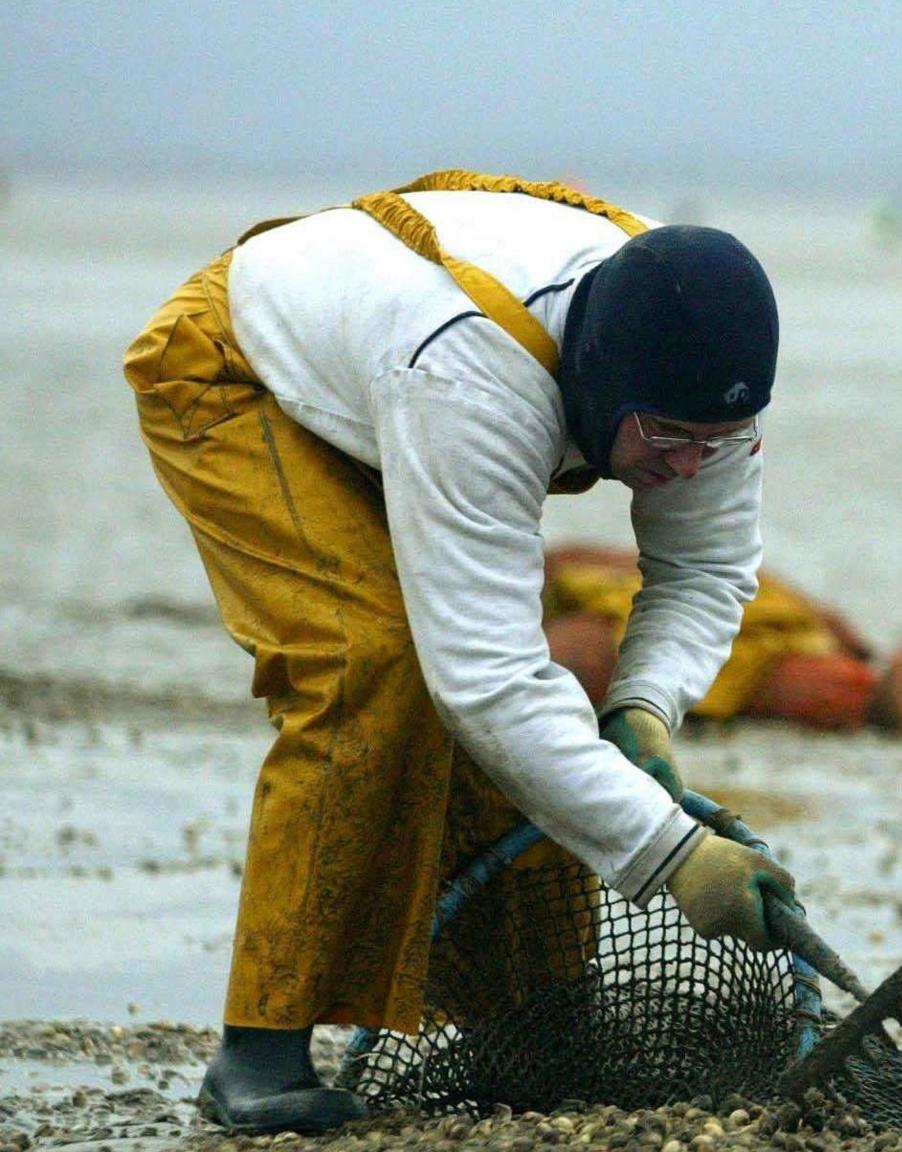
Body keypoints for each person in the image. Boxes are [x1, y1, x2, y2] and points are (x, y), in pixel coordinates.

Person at [122, 171, 799, 1133]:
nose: (690, 464)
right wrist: (676, 857)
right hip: (238, 374)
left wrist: (641, 708)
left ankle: (529, 1026)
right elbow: (481, 682)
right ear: (603, 377)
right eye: (671, 439)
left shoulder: (695, 373)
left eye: (718, 442)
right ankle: (258, 1053)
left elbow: (703, 572)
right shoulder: (473, 377)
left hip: (384, 369)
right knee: (372, 666)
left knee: (547, 706)